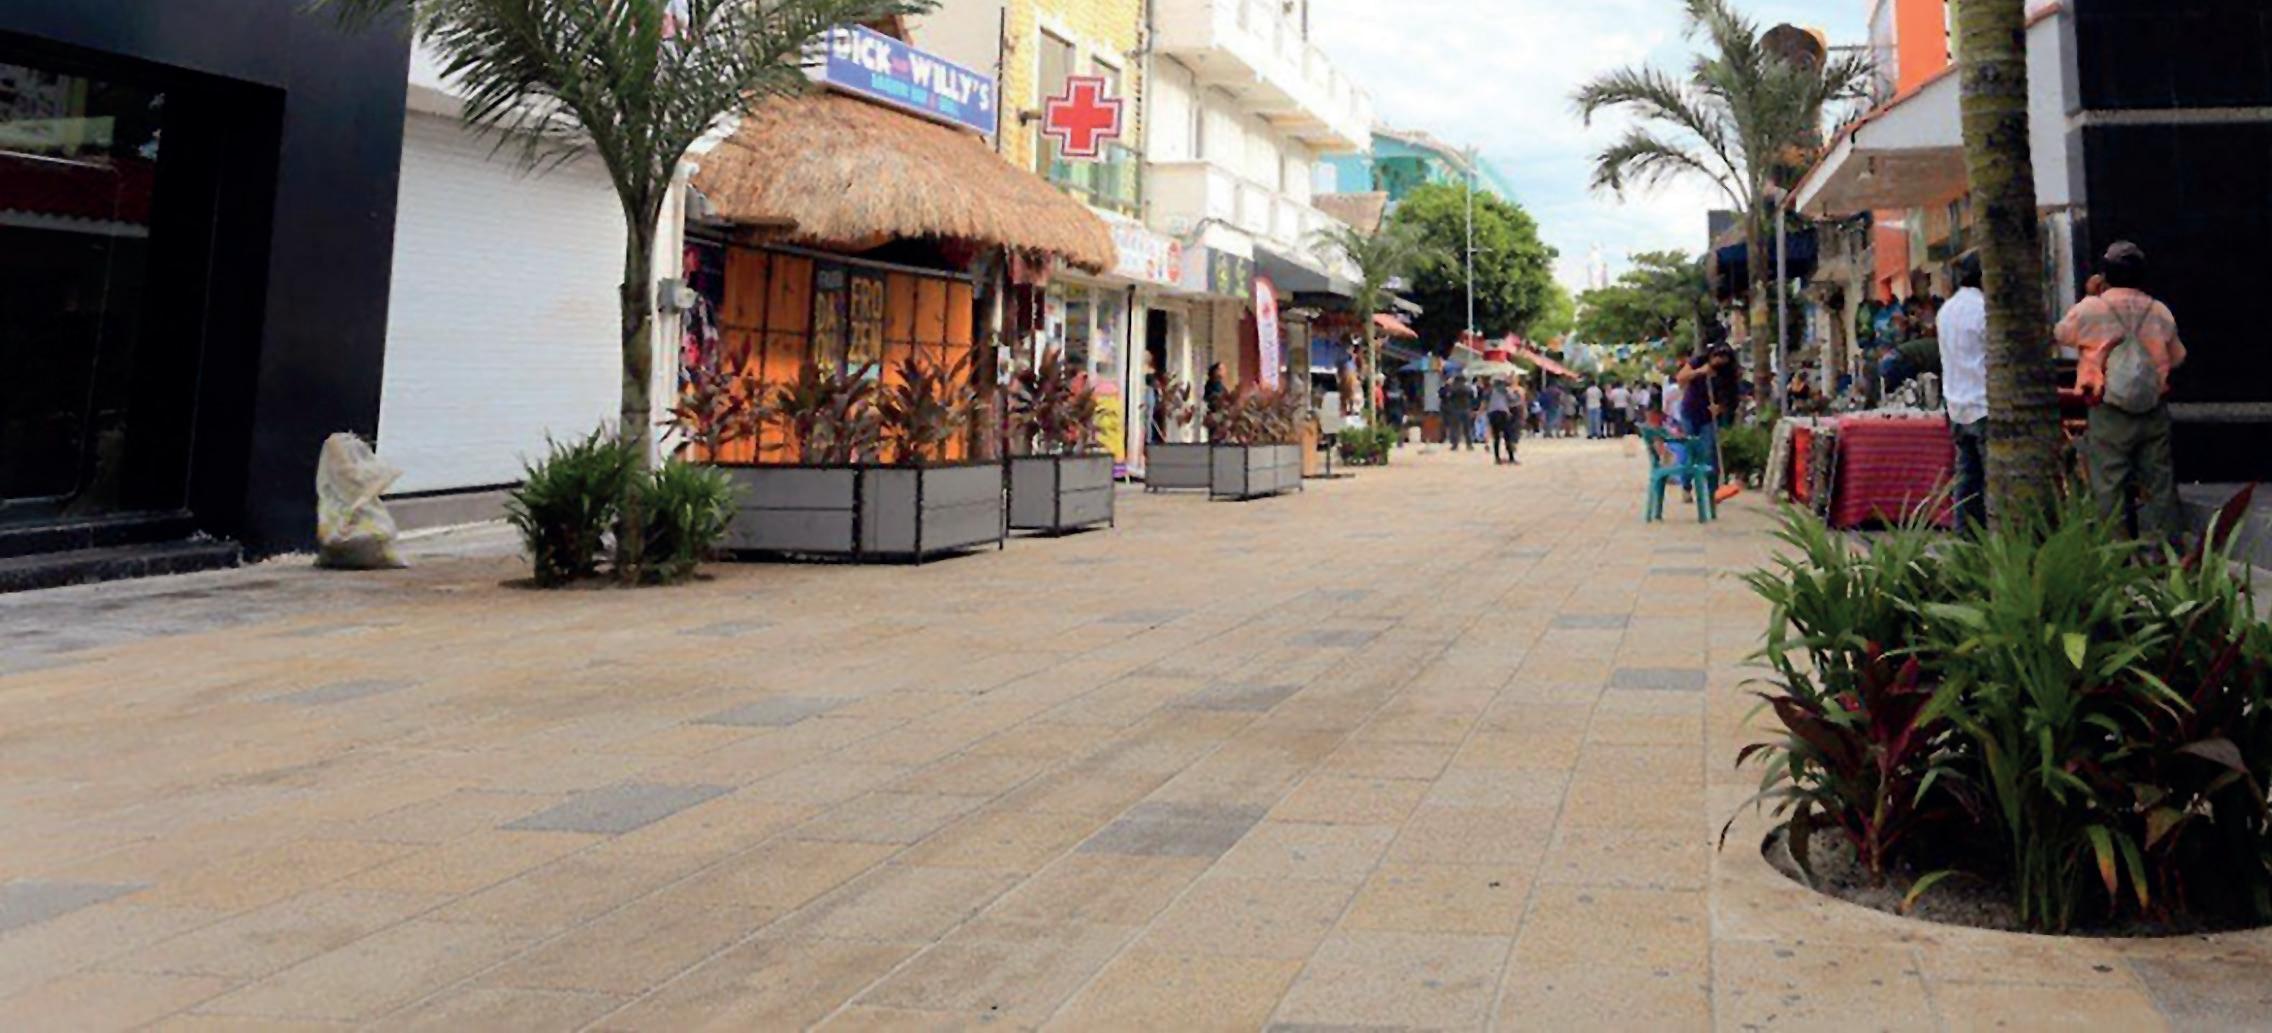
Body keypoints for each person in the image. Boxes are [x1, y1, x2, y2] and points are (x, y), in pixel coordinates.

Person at [2055, 241, 2188, 541]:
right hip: (2153, 408)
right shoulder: (2159, 311)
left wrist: (2091, 296)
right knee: (2160, 482)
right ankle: (2167, 552)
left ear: (2105, 276)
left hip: (2108, 409)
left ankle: (2117, 554)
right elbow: (2178, 356)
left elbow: (2061, 333)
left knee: (2108, 483)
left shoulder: (2092, 309)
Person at [1938, 256, 1990, 530]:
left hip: (1957, 405)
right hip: (1983, 404)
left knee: (1967, 479)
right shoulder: (1985, 310)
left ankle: (1965, 538)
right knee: (1992, 480)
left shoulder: (1947, 310)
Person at [1675, 344, 1741, 491]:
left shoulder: (1729, 373)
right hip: (1690, 411)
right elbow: (1680, 378)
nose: (1719, 361)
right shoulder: (1698, 361)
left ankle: (1712, 489)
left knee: (1710, 451)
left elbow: (1732, 397)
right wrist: (1700, 372)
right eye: (1716, 357)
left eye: (1723, 358)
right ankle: (1686, 485)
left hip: (1709, 416)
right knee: (1690, 449)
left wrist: (1720, 407)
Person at [1486, 379, 1519, 465]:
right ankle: (1511, 458)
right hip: (1502, 413)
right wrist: (1514, 392)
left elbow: (1486, 402)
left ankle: (1497, 458)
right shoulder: (1505, 390)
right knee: (1507, 436)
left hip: (1492, 413)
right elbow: (1514, 399)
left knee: (1496, 437)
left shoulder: (1490, 392)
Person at [1441, 375, 1477, 451]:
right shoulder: (1467, 388)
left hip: (1455, 409)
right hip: (1466, 409)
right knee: (1467, 428)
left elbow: (1448, 396)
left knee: (1455, 428)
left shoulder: (1453, 388)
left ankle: (1455, 445)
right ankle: (1469, 444)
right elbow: (1473, 396)